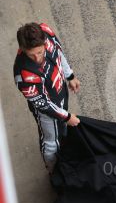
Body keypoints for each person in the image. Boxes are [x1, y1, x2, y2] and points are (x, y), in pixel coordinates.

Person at [13, 22, 81, 173]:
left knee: (62, 130)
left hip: (60, 92)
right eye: (31, 54)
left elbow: (59, 54)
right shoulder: (23, 74)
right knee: (51, 142)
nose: (37, 58)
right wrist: (67, 116)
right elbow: (43, 104)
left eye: (39, 52)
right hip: (45, 111)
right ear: (22, 49)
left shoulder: (47, 32)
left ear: (44, 42)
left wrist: (70, 75)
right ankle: (53, 171)